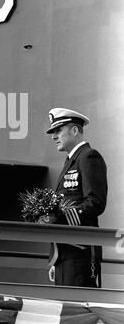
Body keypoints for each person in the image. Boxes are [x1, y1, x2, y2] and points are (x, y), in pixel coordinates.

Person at [46, 108, 107, 288]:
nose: (53, 136)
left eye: (58, 130)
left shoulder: (89, 156)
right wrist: (56, 259)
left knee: (78, 311)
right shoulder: (71, 160)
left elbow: (95, 202)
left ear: (74, 130)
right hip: (66, 253)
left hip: (81, 252)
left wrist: (59, 216)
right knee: (66, 311)